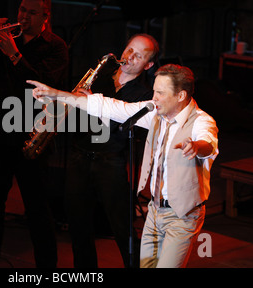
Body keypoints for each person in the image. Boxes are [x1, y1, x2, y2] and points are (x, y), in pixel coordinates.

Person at [27, 63, 219, 268]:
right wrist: (56, 94)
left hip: (182, 214)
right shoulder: (155, 113)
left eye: (160, 93)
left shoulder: (201, 121)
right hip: (155, 211)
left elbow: (208, 143)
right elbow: (109, 106)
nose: (154, 98)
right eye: (154, 91)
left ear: (180, 96)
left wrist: (196, 146)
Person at [0, 0, 69, 268]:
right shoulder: (5, 40)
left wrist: (13, 54)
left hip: (31, 135)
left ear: (46, 17)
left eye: (31, 12)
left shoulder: (55, 46)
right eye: (22, 10)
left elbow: (42, 85)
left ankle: (47, 267)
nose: (23, 16)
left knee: (37, 207)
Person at [64, 34, 158, 268]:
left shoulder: (145, 95)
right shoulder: (98, 78)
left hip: (111, 163)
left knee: (122, 229)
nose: (129, 57)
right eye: (128, 50)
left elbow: (117, 125)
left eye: (139, 55)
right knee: (78, 226)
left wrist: (94, 104)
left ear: (148, 65)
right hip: (79, 156)